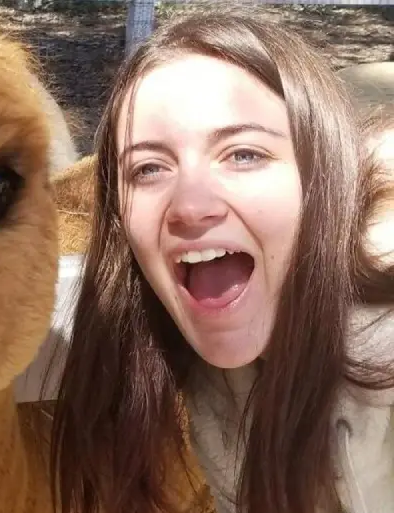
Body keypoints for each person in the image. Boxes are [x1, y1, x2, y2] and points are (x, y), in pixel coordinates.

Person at [49, 6, 394, 513]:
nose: (191, 207)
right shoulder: (206, 399)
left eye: (244, 154)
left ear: (325, 174)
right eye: (147, 169)